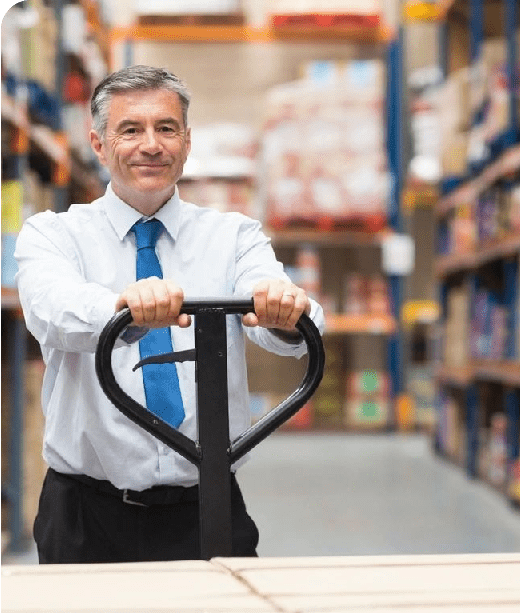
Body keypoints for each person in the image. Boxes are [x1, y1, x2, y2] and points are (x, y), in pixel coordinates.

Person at [15, 65, 325, 564]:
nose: (151, 145)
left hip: (207, 506)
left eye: (166, 128)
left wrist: (285, 309)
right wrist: (122, 311)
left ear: (186, 141)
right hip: (85, 513)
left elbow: (285, 310)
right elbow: (51, 312)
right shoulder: (53, 235)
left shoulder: (235, 237)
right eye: (130, 130)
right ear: (97, 144)